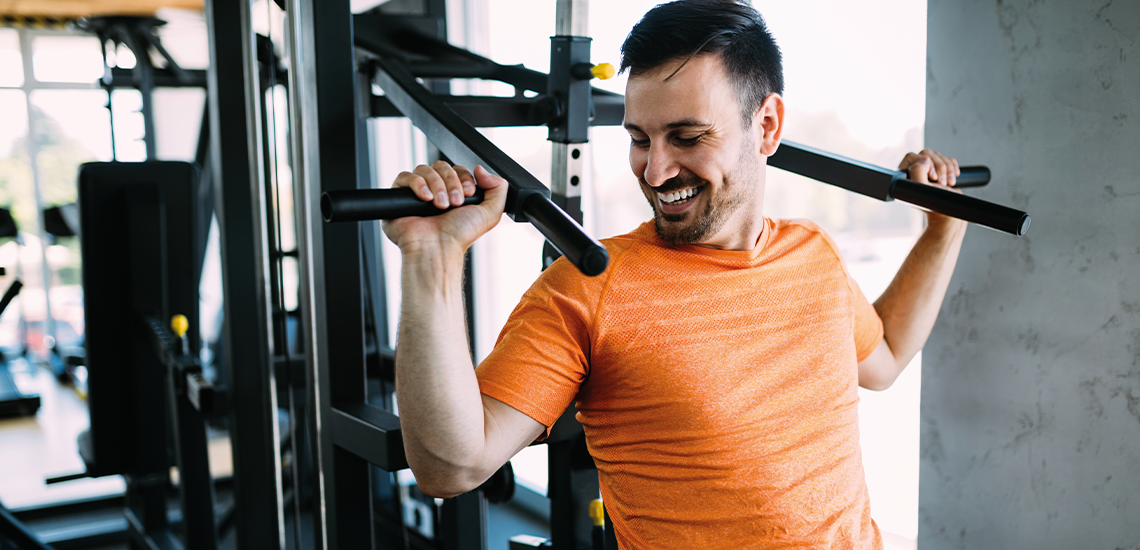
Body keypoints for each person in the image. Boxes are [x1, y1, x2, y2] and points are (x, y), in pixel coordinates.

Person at [382, 0, 966, 547]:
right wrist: (429, 260)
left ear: (766, 127)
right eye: (639, 140)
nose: (656, 171)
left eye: (687, 137)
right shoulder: (589, 287)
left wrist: (943, 229)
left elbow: (883, 357)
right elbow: (450, 466)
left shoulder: (812, 254)